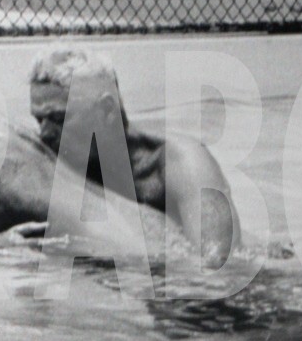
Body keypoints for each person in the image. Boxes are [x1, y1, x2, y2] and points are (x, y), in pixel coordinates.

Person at [28, 46, 241, 266]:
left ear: (107, 111)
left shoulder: (182, 163)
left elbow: (221, 266)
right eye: (39, 120)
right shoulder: (55, 162)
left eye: (58, 119)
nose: (44, 133)